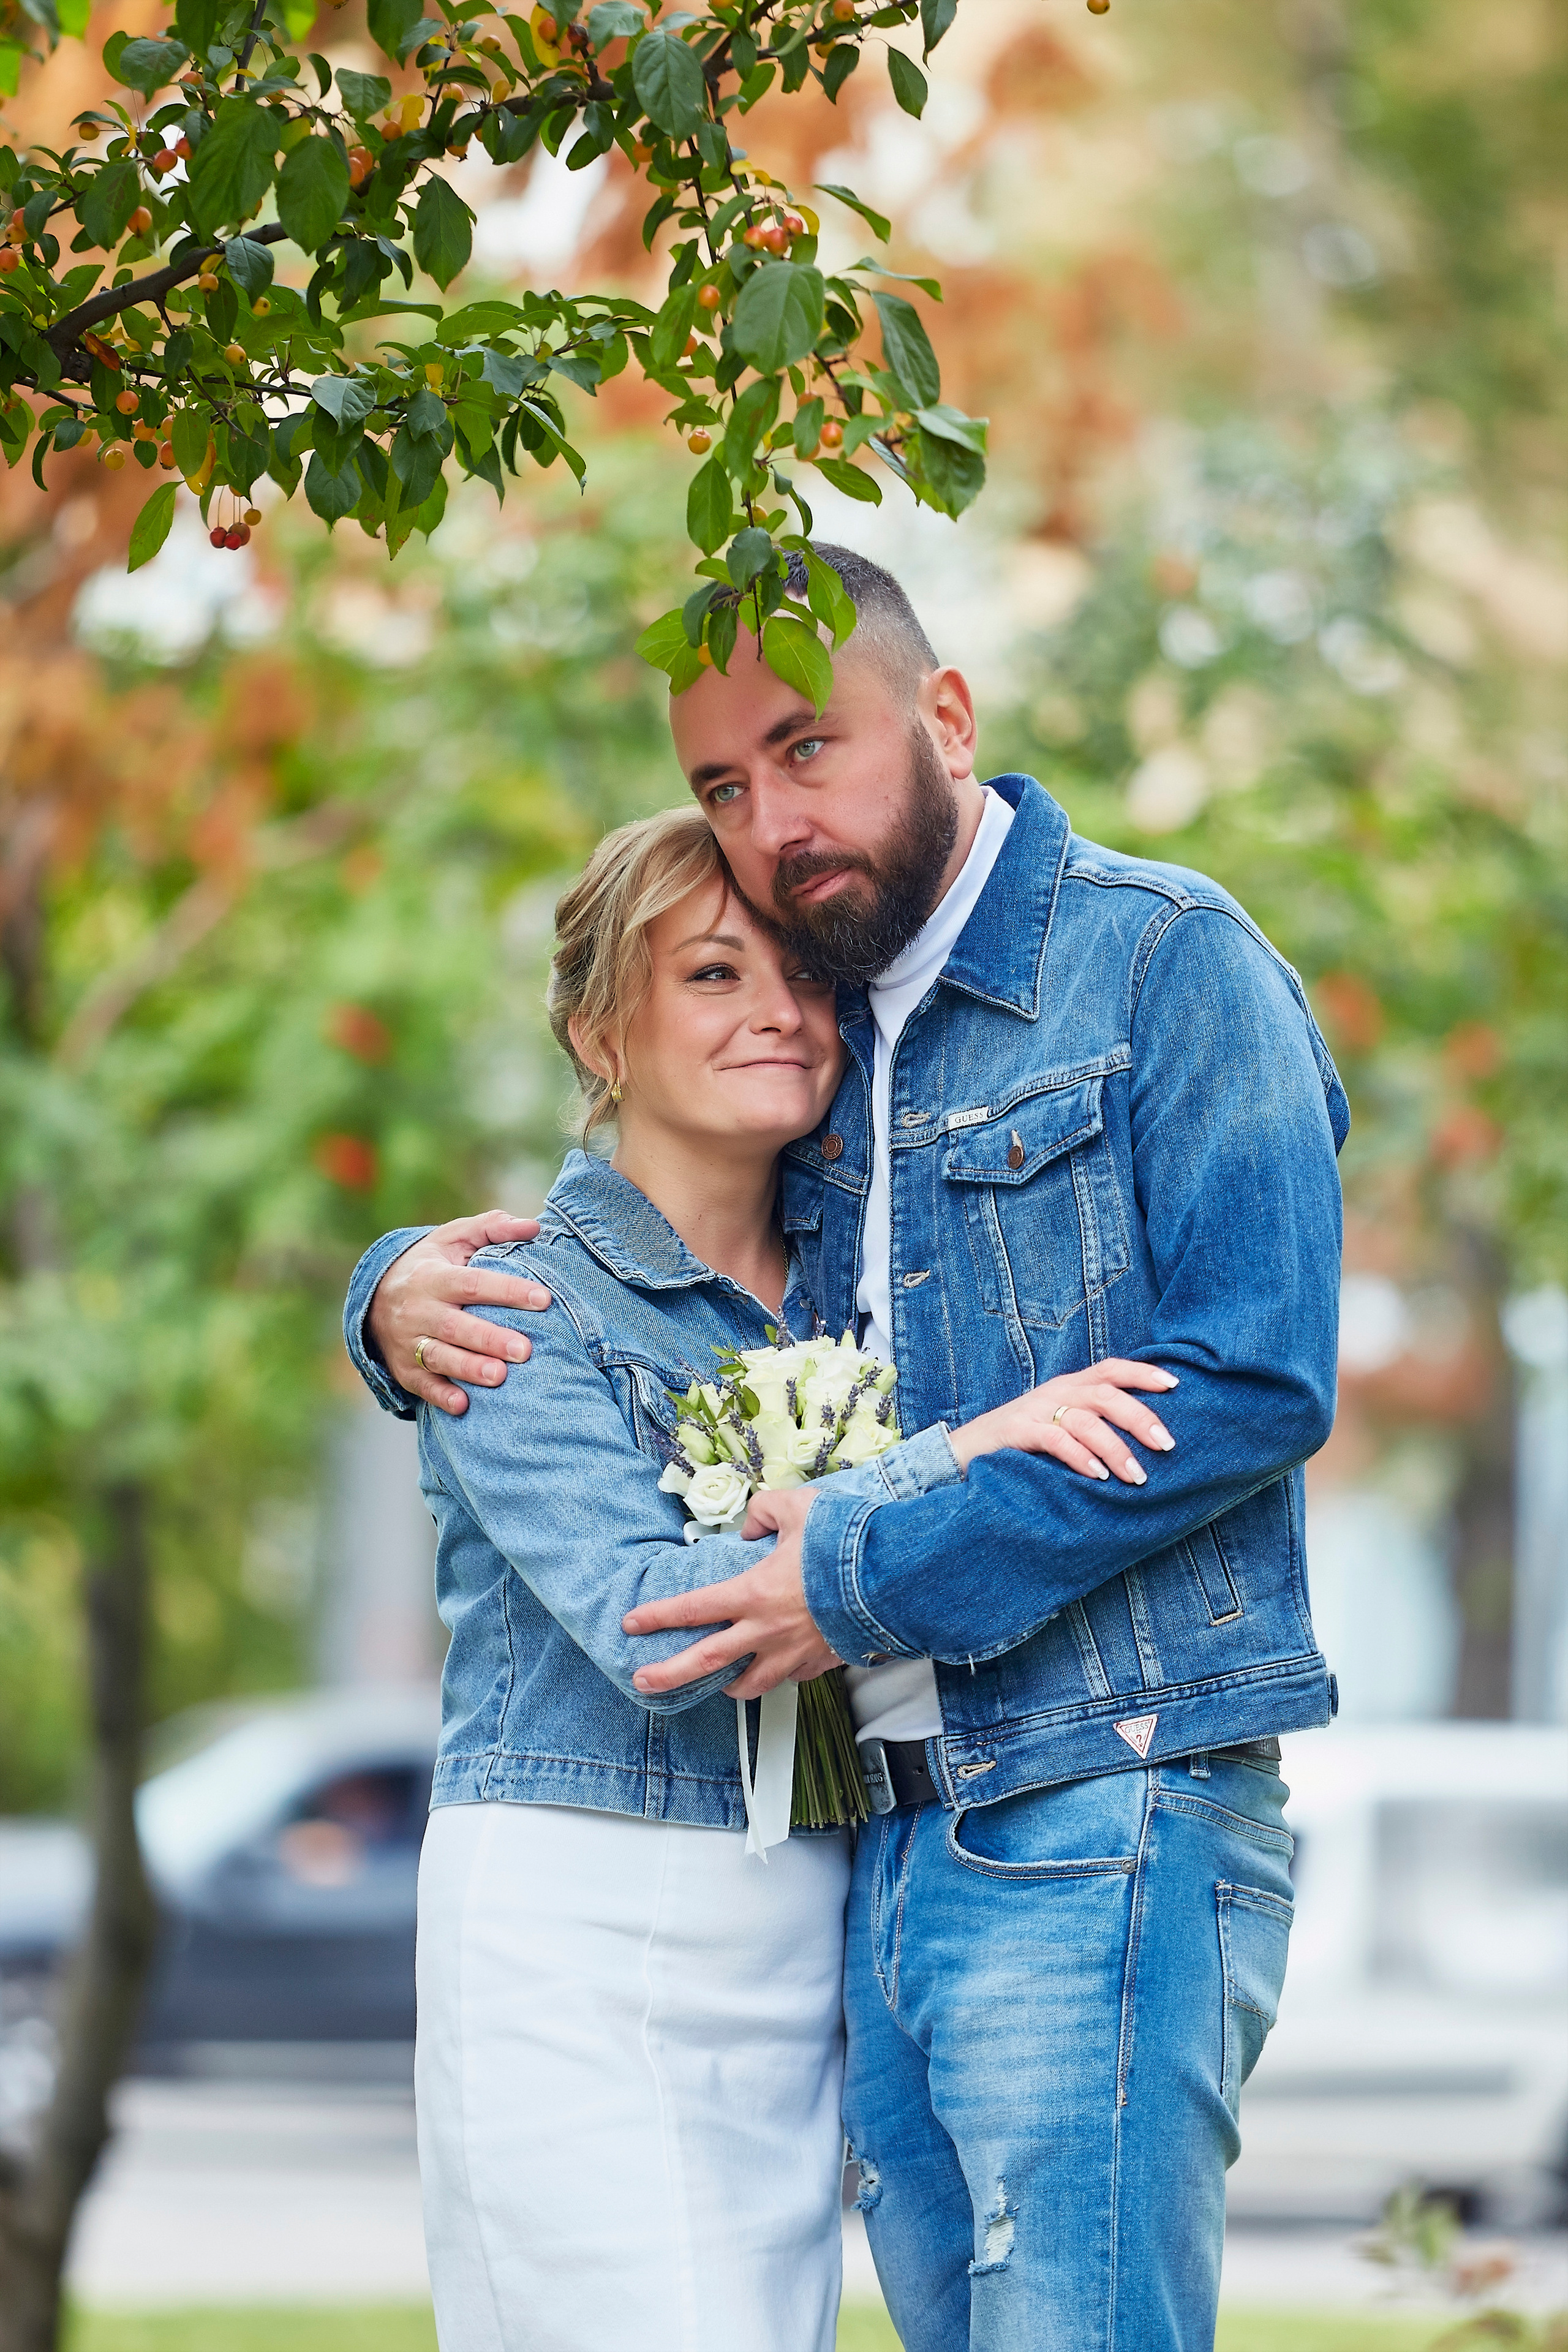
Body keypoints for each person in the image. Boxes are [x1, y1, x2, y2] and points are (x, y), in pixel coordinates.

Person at [349, 547, 1348, 2352]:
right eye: (726, 784)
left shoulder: (1162, 964)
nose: (769, 820)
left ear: (947, 716)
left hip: (1094, 1794)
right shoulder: (840, 1041)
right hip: (869, 1849)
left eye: (807, 750)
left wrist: (862, 1558)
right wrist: (382, 1289)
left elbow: (1261, 1374)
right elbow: (631, 1276)